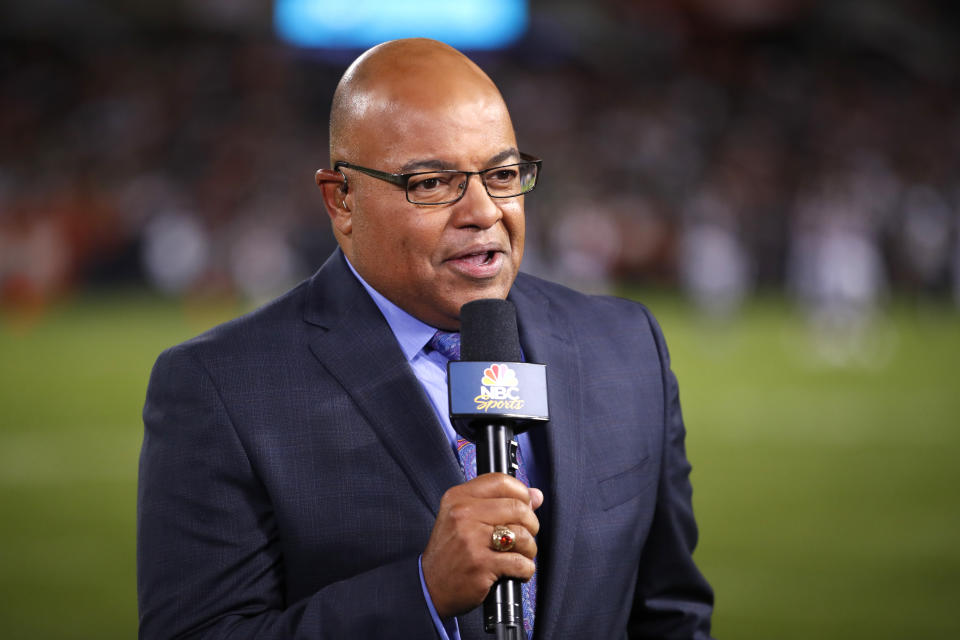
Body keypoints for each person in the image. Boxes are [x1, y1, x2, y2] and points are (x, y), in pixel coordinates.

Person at [137, 38, 714, 639]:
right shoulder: (221, 388)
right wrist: (421, 594)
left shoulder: (626, 347)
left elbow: (672, 617)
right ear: (342, 200)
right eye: (433, 183)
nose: (484, 211)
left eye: (503, 173)